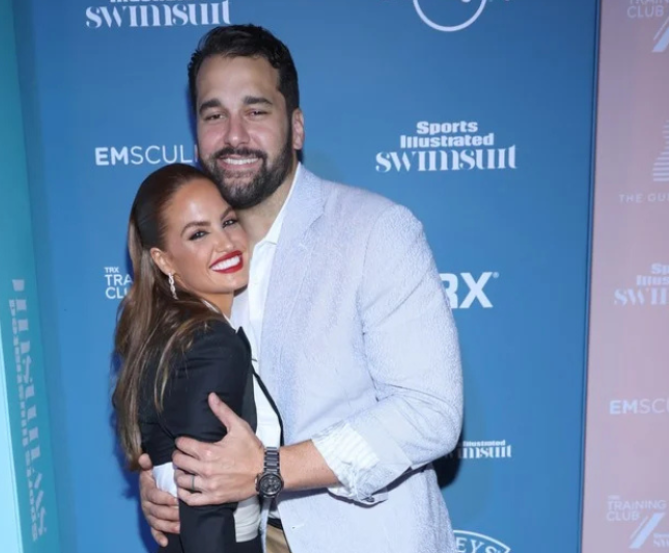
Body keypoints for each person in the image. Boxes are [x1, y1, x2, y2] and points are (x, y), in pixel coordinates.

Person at [137, 25, 464, 553]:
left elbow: (430, 411)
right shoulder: (189, 261)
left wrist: (271, 469)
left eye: (256, 110)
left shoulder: (376, 231)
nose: (234, 134)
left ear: (296, 128)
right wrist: (163, 481)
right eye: (214, 114)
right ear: (196, 134)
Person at [112, 163, 283, 553]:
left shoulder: (171, 332)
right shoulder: (210, 343)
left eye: (228, 222)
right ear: (165, 261)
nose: (225, 243)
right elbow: (204, 494)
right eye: (199, 234)